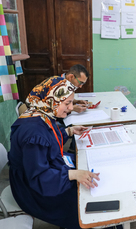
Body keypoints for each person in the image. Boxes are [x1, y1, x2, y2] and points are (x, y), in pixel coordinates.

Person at [8, 76, 100, 229]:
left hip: (45, 170)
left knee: (84, 161)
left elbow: (49, 140)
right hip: (33, 189)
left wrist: (69, 131)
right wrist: (74, 174)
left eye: (71, 102)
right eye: (67, 103)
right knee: (81, 201)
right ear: (51, 100)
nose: (71, 108)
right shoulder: (33, 132)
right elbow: (39, 178)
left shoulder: (42, 114)